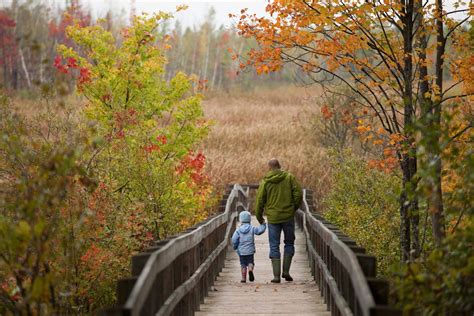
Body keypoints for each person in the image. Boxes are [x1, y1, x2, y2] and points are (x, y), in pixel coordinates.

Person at [255, 158, 302, 283]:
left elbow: (259, 201)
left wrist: (260, 218)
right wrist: (293, 208)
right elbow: (298, 194)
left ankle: (276, 276)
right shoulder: (289, 177)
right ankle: (286, 271)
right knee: (289, 242)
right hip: (288, 216)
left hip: (273, 218)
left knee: (274, 245)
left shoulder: (265, 182)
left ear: (269, 167)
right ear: (279, 166)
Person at [231, 210, 267, 283]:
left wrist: (235, 246)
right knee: (250, 262)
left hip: (241, 251)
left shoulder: (238, 230)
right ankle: (250, 269)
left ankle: (243, 278)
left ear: (241, 220)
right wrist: (263, 224)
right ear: (249, 219)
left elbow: (234, 239)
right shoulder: (252, 228)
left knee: (243, 264)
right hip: (250, 250)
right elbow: (259, 231)